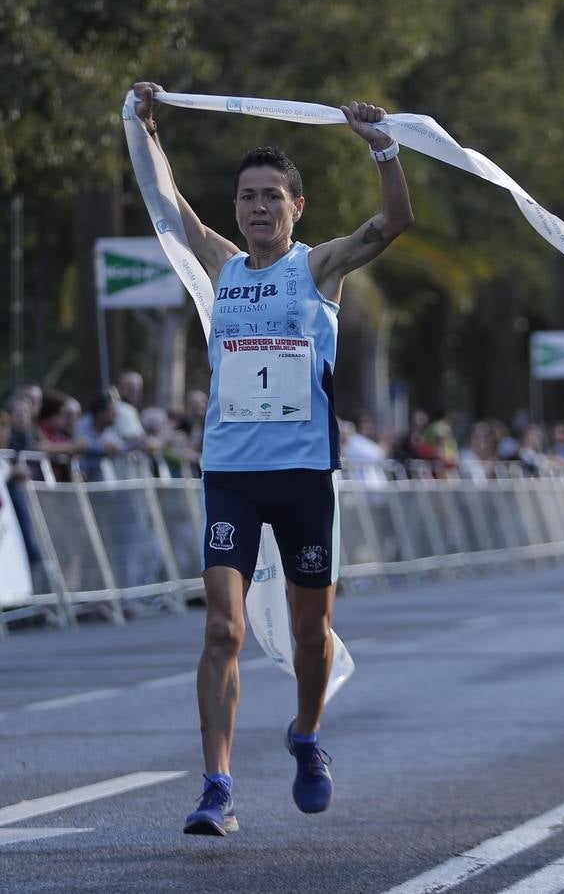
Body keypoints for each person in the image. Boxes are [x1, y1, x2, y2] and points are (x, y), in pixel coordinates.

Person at [131, 80, 414, 836]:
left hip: (300, 478)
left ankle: (307, 734)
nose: (257, 207)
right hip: (230, 474)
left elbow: (393, 221)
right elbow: (170, 206)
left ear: (297, 208)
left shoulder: (318, 268)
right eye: (247, 197)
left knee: (308, 632)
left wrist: (381, 145)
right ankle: (217, 787)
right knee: (219, 630)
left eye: (271, 196)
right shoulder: (221, 267)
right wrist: (145, 123)